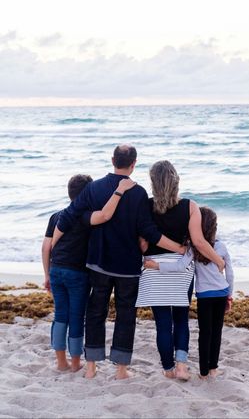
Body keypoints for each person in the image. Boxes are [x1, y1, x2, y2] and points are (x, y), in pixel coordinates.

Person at [52, 145, 185, 380]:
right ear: (134, 163)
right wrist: (180, 249)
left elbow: (69, 215)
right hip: (127, 266)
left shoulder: (94, 188)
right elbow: (149, 231)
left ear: (112, 159)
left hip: (98, 263)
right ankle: (121, 370)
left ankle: (91, 367)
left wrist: (53, 244)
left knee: (95, 313)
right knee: (125, 316)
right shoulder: (139, 193)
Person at [136, 161, 225, 380]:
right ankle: (182, 366)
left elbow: (143, 246)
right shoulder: (190, 206)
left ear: (153, 183)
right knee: (181, 318)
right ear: (176, 181)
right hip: (180, 269)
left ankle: (168, 369)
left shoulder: (146, 206)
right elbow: (199, 242)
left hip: (154, 270)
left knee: (163, 323)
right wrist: (219, 262)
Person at [42, 174, 136, 372]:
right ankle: (76, 363)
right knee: (76, 317)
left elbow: (46, 247)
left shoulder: (57, 215)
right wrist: (120, 191)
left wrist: (47, 275)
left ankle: (61, 362)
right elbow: (104, 215)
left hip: (57, 270)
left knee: (60, 316)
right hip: (77, 274)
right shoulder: (85, 217)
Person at [145, 206, 234, 379]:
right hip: (222, 293)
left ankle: (202, 372)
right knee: (217, 332)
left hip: (204, 296)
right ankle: (213, 369)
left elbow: (179, 266)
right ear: (214, 227)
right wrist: (229, 295)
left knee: (205, 333)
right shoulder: (221, 246)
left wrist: (156, 265)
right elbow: (229, 273)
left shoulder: (193, 248)